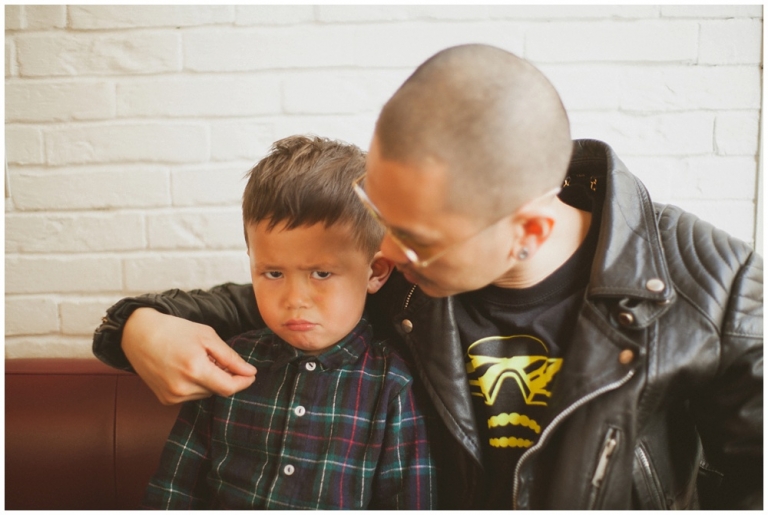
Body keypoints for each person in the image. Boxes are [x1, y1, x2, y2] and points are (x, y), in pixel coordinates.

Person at [94, 45, 762, 509]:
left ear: (527, 231)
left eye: (411, 236)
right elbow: (258, 300)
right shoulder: (404, 276)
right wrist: (138, 327)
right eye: (376, 211)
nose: (382, 249)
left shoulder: (717, 289)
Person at [141, 135, 435, 509]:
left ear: (375, 272)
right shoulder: (227, 362)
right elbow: (173, 489)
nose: (295, 299)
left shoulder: (392, 386)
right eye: (274, 274)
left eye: (322, 274)